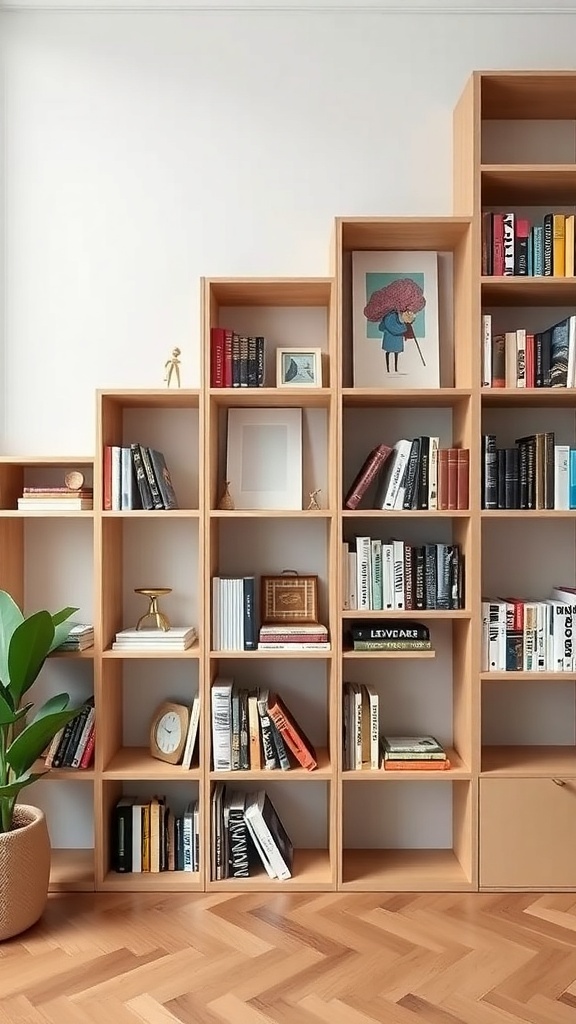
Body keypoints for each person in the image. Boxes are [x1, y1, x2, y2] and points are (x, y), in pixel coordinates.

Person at [363, 278, 426, 375]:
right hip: (391, 337)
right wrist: (404, 325)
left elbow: (396, 324)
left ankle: (395, 369)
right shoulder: (390, 316)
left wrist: (406, 321)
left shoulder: (396, 314)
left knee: (395, 353)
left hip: (395, 338)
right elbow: (391, 327)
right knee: (389, 353)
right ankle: (389, 369)